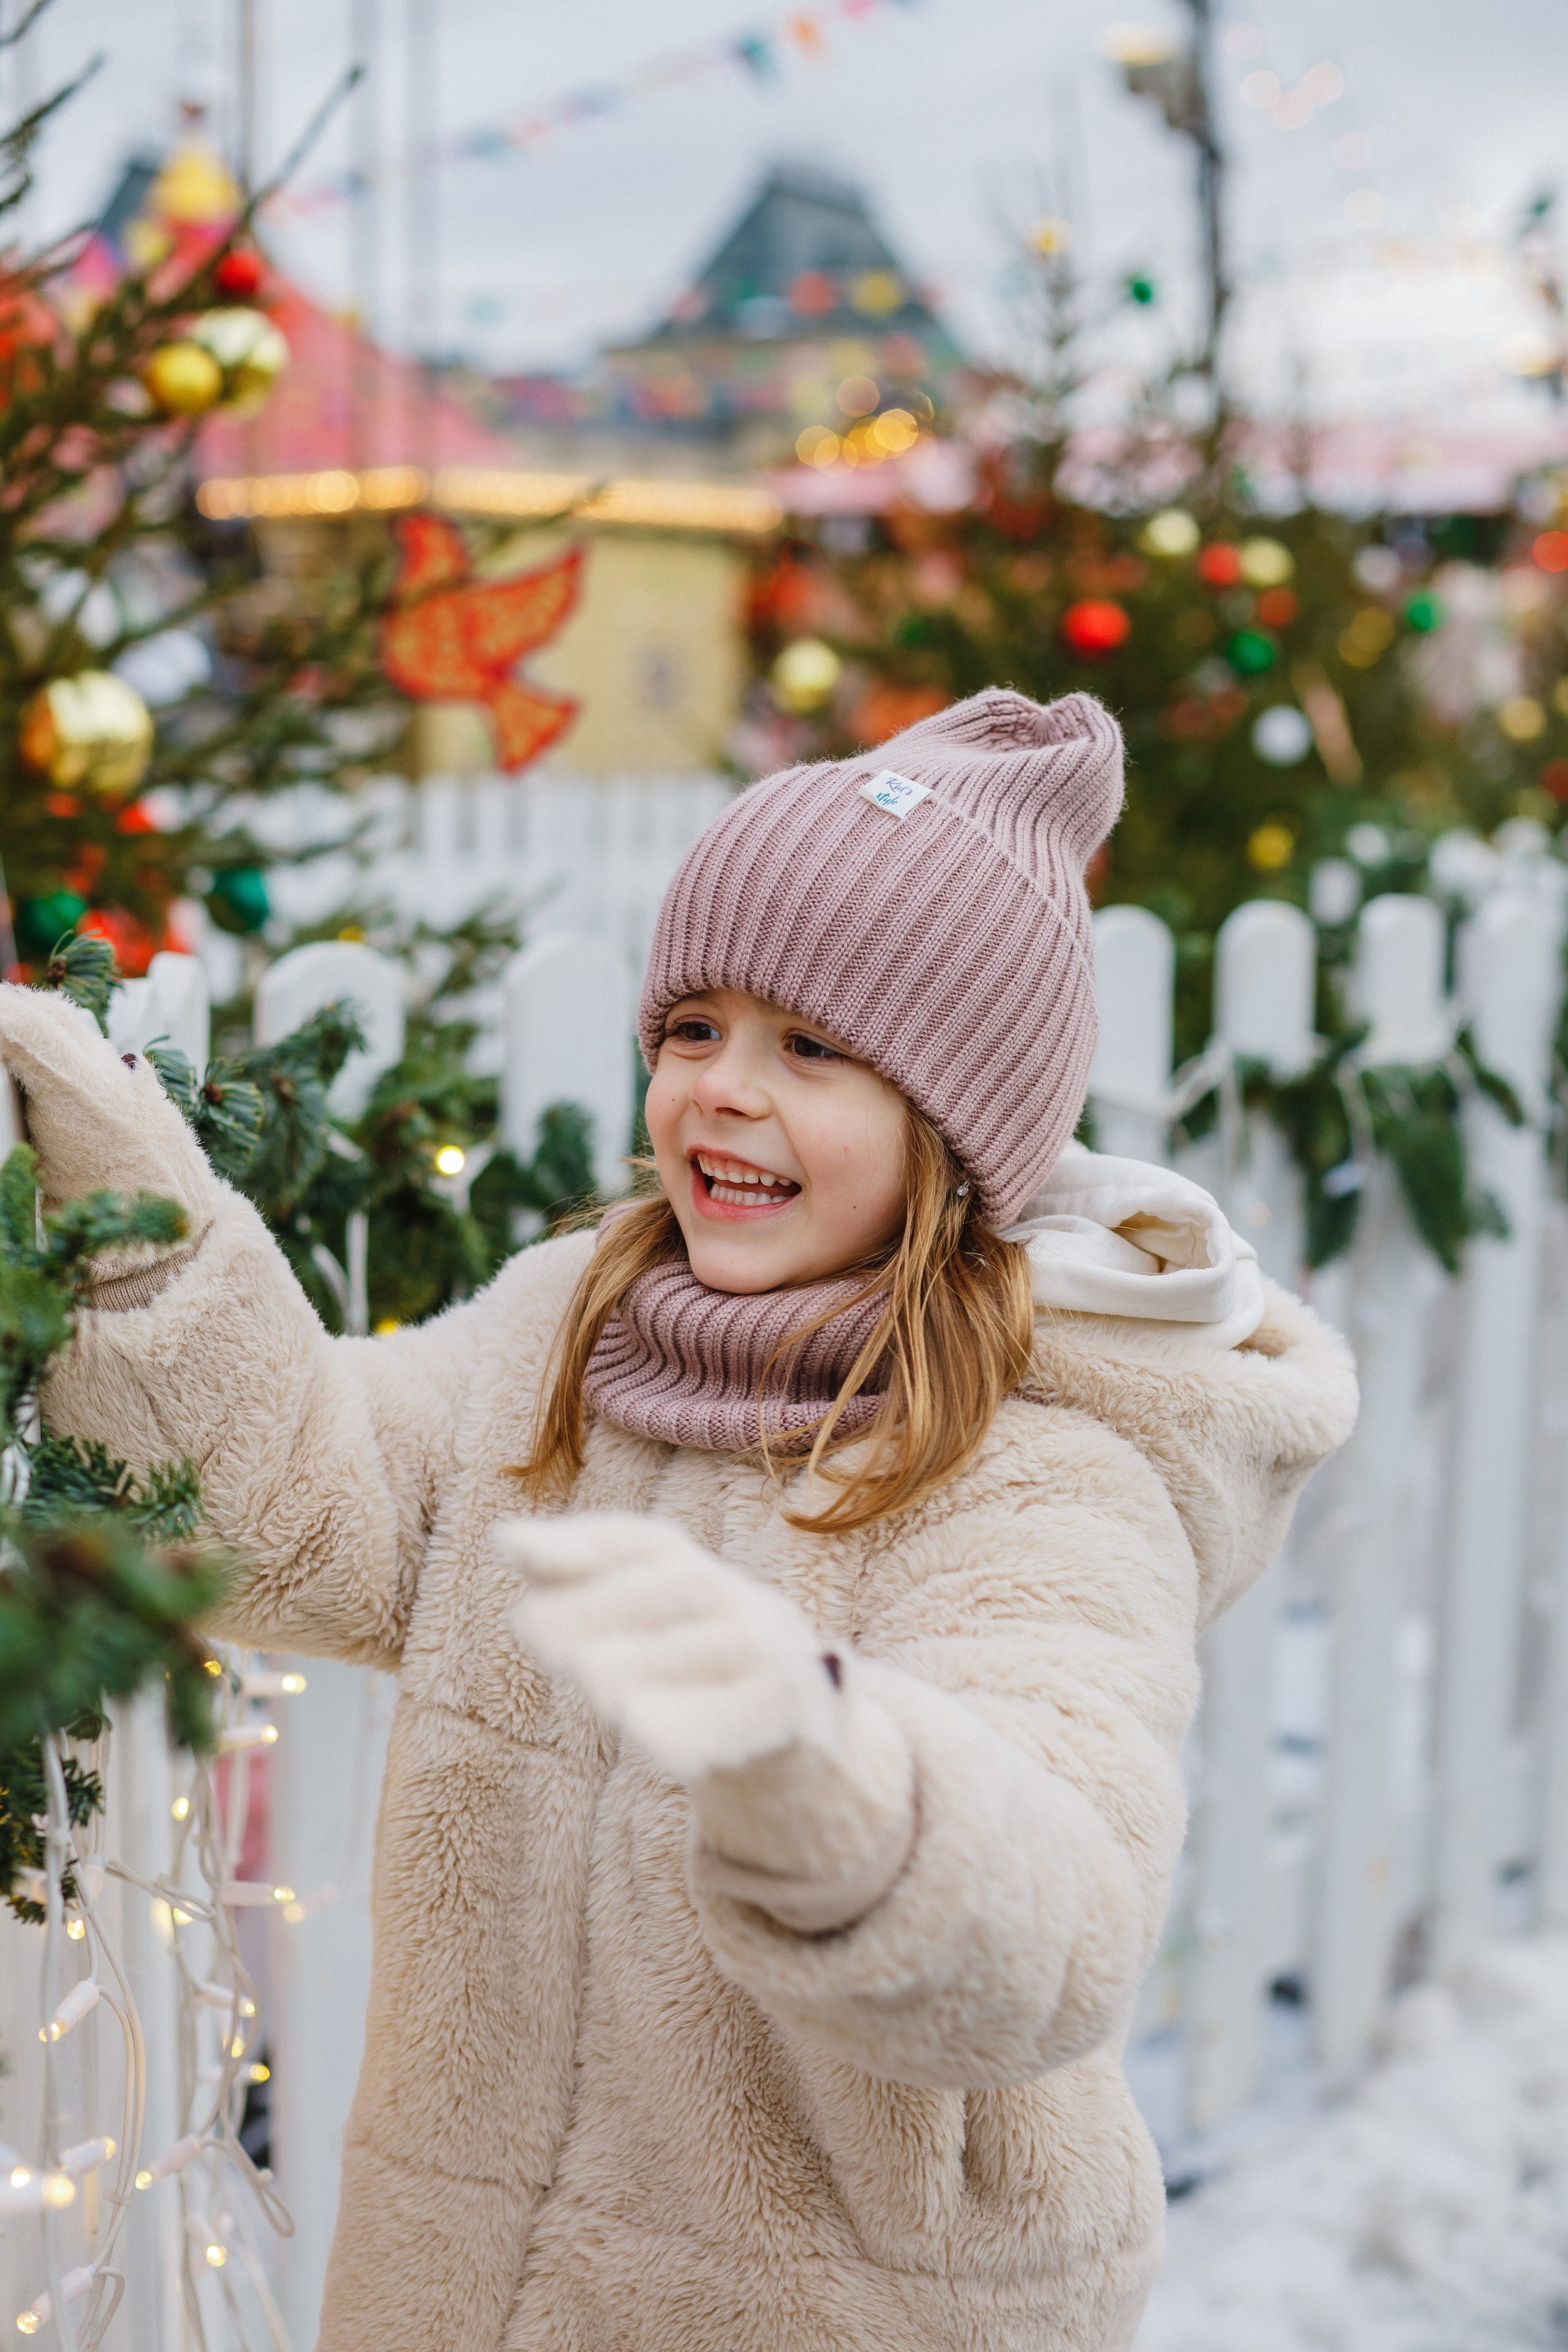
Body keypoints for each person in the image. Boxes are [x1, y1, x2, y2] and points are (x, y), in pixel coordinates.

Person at [12, 688, 1356, 2352]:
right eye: (693, 1028)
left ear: (957, 1128)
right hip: (464, 2288)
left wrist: (830, 1774)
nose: (721, 1089)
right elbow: (294, 1511)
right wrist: (131, 1223)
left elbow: (1062, 1915)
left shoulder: (1043, 1468)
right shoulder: (569, 1330)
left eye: (811, 1049)